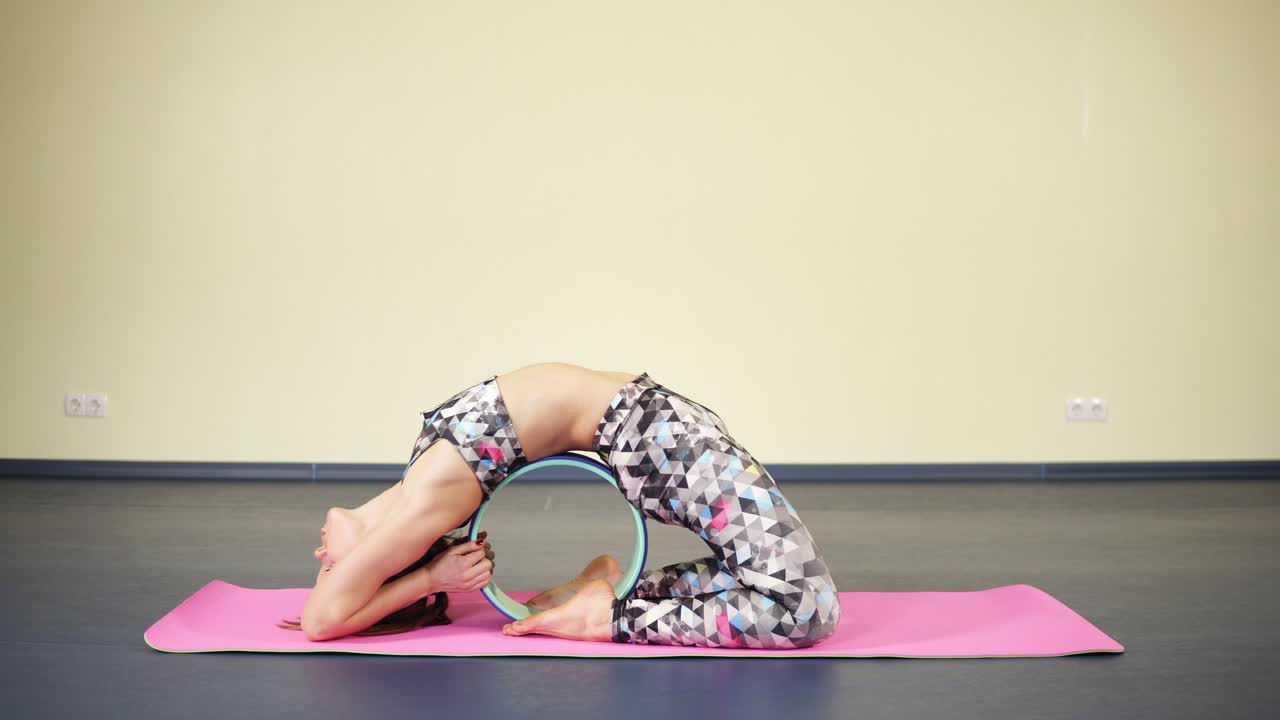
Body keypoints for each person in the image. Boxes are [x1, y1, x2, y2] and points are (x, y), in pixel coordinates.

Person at [281, 362, 840, 648]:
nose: (321, 555)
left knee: (757, 578)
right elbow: (320, 621)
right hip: (662, 439)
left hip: (661, 432)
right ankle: (609, 615)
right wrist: (429, 577)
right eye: (331, 570)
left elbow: (333, 603)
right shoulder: (425, 506)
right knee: (806, 608)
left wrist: (404, 576)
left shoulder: (422, 475)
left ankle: (607, 589)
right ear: (387, 561)